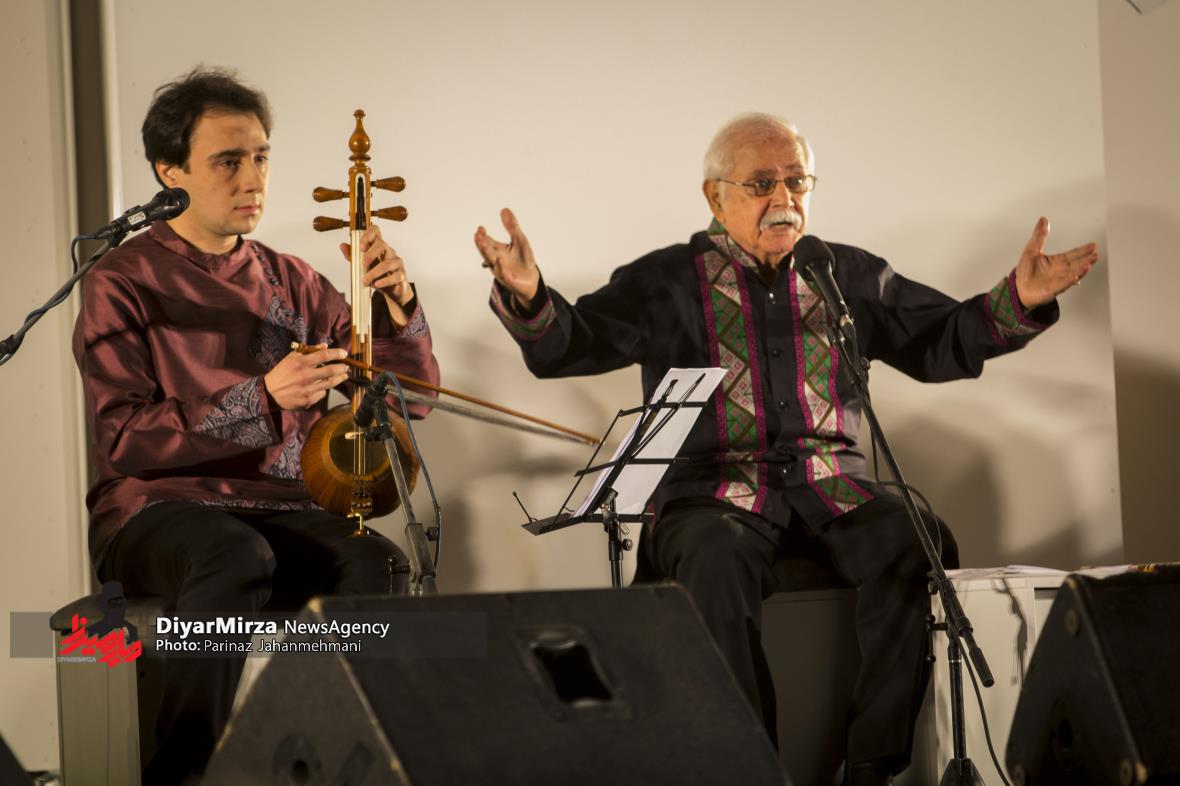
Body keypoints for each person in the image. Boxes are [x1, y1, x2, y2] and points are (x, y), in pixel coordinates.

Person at [474, 112, 1097, 785]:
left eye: (798, 181)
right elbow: (575, 343)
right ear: (715, 197)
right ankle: (748, 769)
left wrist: (1018, 299)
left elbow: (939, 340)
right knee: (712, 555)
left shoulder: (842, 273)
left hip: (833, 486)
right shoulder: (665, 281)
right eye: (762, 183)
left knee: (916, 536)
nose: (784, 198)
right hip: (714, 493)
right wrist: (529, 296)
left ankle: (871, 766)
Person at [72, 67, 439, 785]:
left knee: (378, 563)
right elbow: (123, 437)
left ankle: (331, 762)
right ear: (170, 170)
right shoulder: (119, 279)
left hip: (280, 507)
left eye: (261, 157)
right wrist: (263, 398)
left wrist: (396, 304)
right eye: (228, 161)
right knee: (234, 555)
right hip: (156, 513)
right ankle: (187, 771)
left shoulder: (293, 279)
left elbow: (406, 403)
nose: (253, 179)